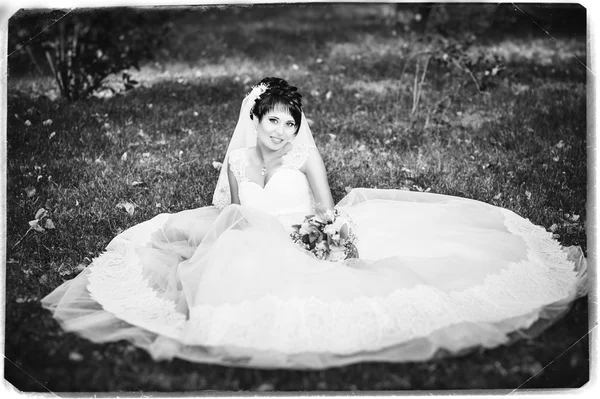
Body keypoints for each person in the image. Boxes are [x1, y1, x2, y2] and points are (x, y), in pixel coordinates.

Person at [42, 77, 588, 369]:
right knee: (224, 272)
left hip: (306, 235)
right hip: (253, 242)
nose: (281, 131)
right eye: (272, 120)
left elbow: (328, 209)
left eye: (290, 122)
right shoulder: (235, 162)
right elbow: (230, 214)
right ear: (254, 120)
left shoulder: (305, 157)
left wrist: (324, 237)